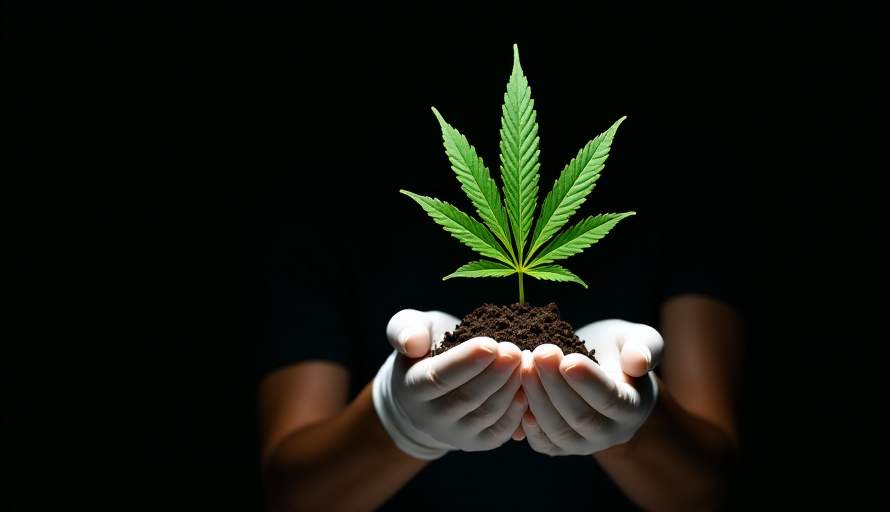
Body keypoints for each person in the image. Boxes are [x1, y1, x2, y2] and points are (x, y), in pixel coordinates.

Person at [251, 116, 746, 511]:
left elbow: (706, 487)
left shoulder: (683, 161)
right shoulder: (322, 176)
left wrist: (640, 411)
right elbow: (292, 493)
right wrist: (395, 418)